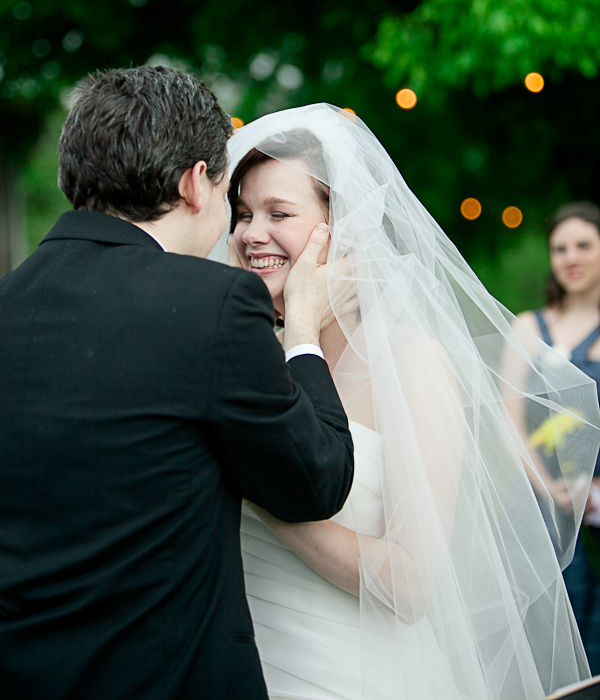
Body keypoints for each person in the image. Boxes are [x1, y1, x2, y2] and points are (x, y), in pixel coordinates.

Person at [220, 103, 600, 700]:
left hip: (351, 675)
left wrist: (264, 498)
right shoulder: (244, 361)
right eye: (242, 214)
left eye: (280, 212)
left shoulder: (409, 361)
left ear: (344, 228)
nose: (250, 233)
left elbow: (413, 583)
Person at [0, 67, 354, 700]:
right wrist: (303, 329)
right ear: (196, 183)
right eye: (229, 199)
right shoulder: (211, 304)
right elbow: (317, 479)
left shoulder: (8, 304)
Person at [516, 202, 600, 676]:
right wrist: (550, 488)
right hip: (542, 509)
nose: (572, 256)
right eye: (560, 247)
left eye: (584, 245)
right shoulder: (530, 328)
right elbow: (508, 421)